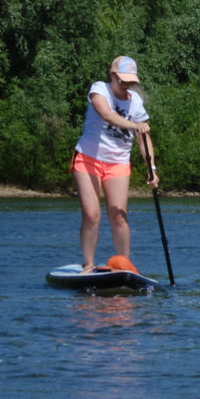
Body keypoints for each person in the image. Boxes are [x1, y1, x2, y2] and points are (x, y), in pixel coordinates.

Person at [73, 56, 155, 273]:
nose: (126, 86)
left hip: (118, 162)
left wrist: (152, 169)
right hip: (88, 158)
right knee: (92, 214)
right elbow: (106, 114)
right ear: (112, 75)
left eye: (130, 82)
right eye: (122, 81)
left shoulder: (135, 101)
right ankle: (89, 265)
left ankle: (122, 266)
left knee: (118, 215)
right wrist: (135, 125)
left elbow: (143, 138)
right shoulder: (99, 89)